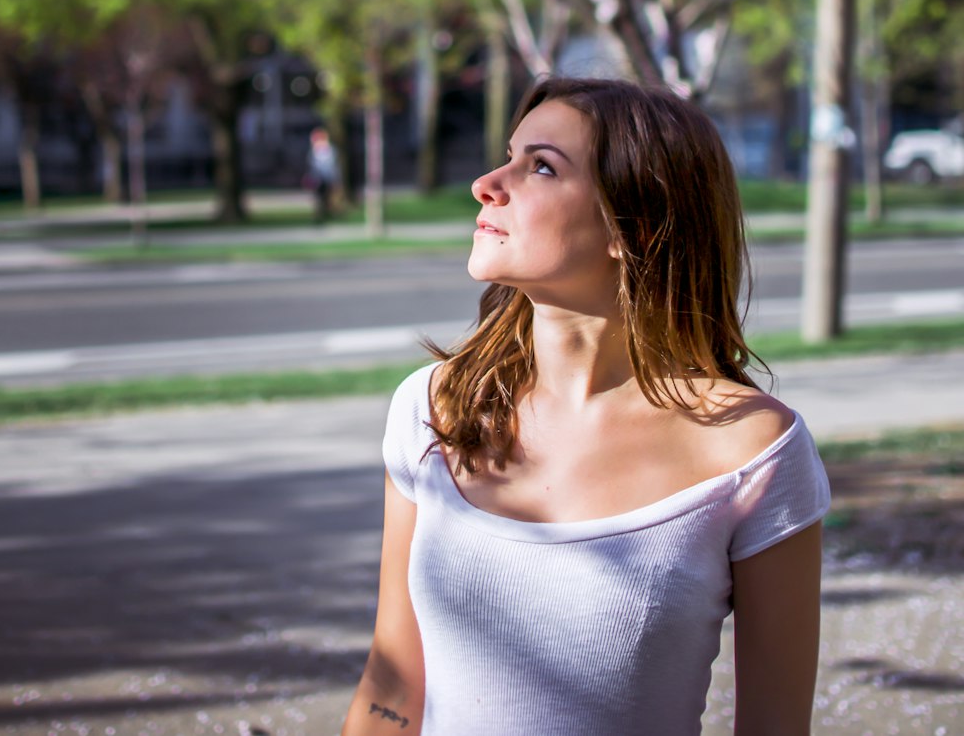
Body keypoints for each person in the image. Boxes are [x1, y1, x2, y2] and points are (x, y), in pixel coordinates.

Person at [342, 77, 830, 736]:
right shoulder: (432, 408)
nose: (488, 181)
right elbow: (394, 681)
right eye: (509, 153)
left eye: (541, 165)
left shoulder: (753, 450)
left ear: (633, 227)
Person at [305, 125, 339, 223]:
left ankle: (329, 213)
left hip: (328, 178)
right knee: (318, 198)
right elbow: (312, 166)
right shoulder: (314, 151)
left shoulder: (330, 150)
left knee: (328, 197)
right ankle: (319, 215)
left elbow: (333, 166)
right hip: (318, 179)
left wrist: (335, 179)